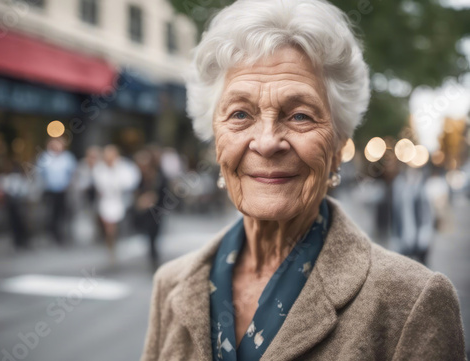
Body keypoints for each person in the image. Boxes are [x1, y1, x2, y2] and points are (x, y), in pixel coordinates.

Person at [141, 1, 467, 360]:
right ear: (215, 137)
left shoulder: (412, 304)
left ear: (339, 142)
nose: (266, 142)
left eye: (299, 115)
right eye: (240, 114)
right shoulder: (171, 285)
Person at [93, 145, 140, 259]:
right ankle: (110, 245)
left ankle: (117, 242)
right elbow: (99, 184)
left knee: (119, 225)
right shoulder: (99, 168)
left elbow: (130, 181)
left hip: (121, 200)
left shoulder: (125, 167)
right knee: (109, 226)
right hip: (106, 201)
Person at [37, 137, 77, 245]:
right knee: (50, 213)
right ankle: (52, 233)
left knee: (63, 213)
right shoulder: (45, 157)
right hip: (49, 190)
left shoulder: (67, 157)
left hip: (63, 191)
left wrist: (69, 185)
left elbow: (73, 173)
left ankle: (61, 234)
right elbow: (39, 174)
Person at [134, 147, 168, 269]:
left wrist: (154, 198)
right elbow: (137, 190)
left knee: (155, 232)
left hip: (157, 209)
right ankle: (152, 254)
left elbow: (164, 191)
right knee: (149, 233)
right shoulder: (141, 176)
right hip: (146, 211)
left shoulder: (159, 175)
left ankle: (154, 254)